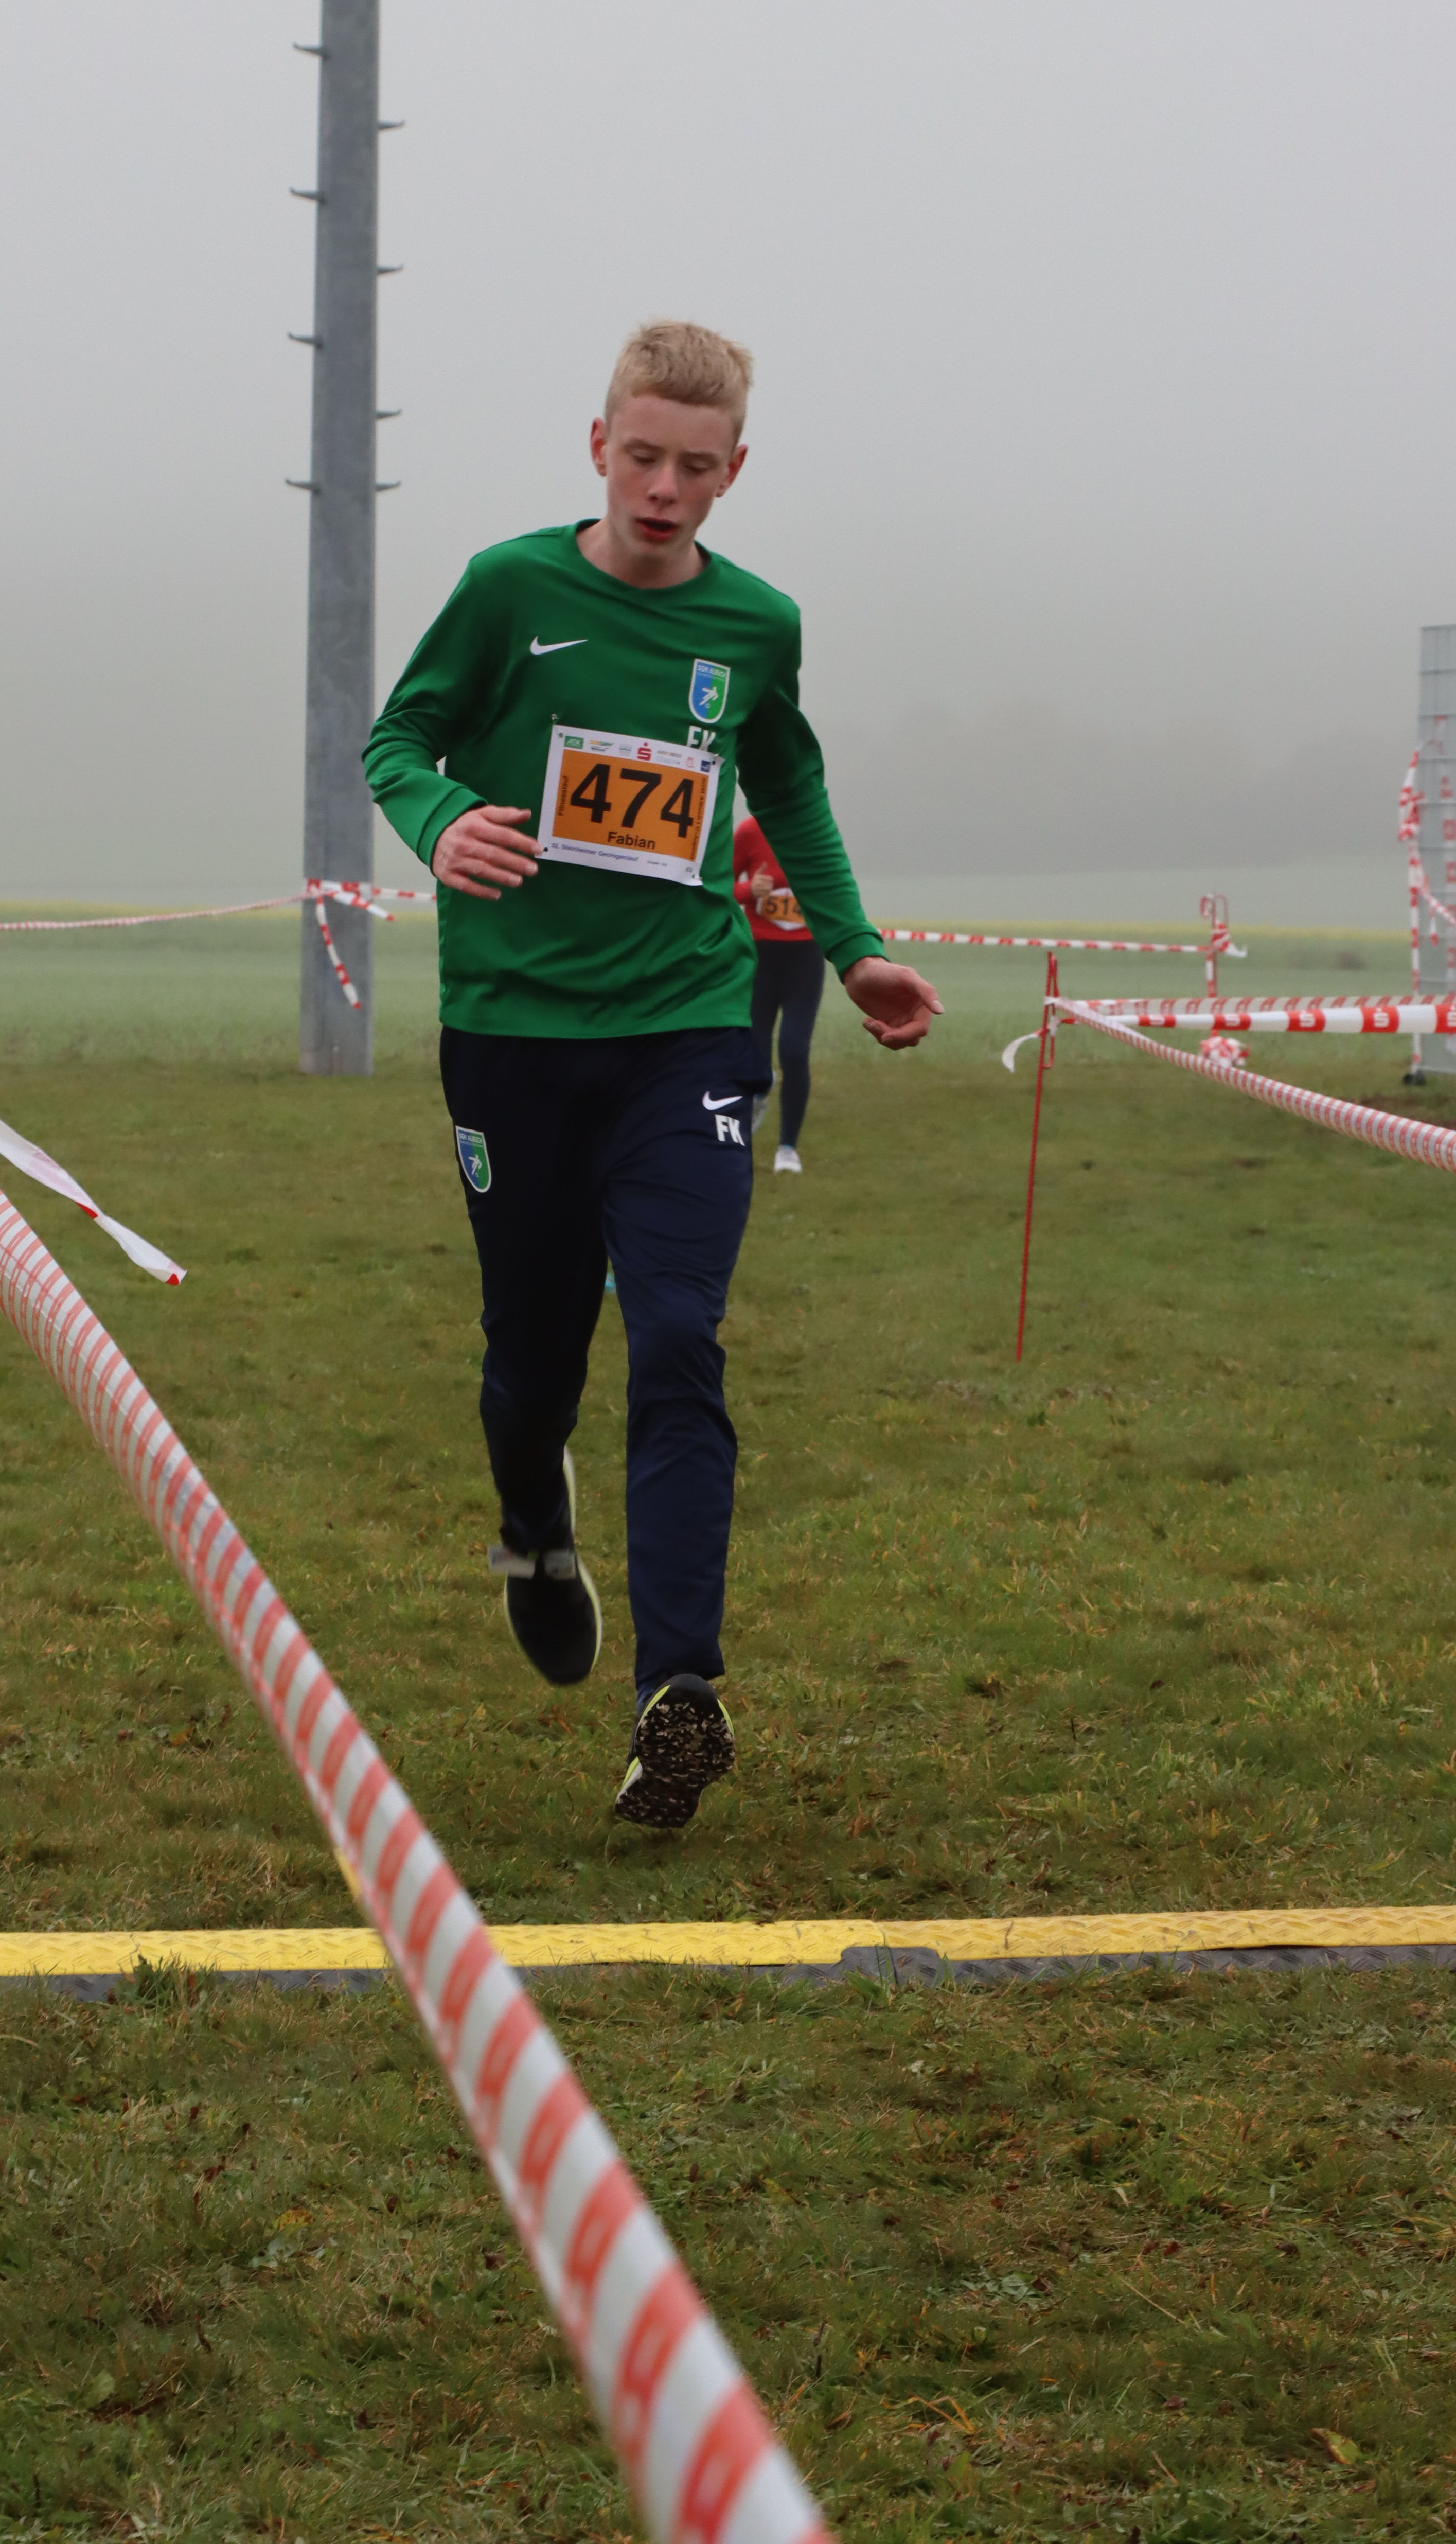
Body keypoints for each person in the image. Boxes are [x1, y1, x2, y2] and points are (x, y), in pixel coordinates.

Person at [363, 322, 942, 1829]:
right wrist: (438, 822)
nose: (663, 487)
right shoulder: (508, 588)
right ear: (597, 447)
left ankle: (678, 1693)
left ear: (732, 468)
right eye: (640, 456)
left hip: (684, 1030)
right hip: (512, 1035)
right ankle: (532, 1525)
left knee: (678, 1331)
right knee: (531, 1362)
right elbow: (400, 737)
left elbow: (786, 774)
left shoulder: (755, 624)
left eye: (694, 465)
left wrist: (855, 948)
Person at [733, 810, 824, 1173]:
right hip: (760, 957)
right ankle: (758, 1092)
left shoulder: (815, 824)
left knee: (794, 1050)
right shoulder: (750, 831)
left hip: (805, 958)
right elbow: (716, 884)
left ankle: (788, 1148)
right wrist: (747, 891)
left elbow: (834, 887)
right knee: (755, 1054)